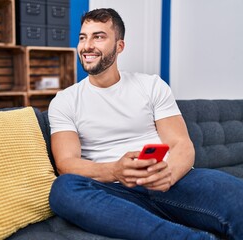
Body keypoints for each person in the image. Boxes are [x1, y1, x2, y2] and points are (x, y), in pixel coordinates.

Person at [48, 8, 243, 240]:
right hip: (113, 191)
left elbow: (181, 144)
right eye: (83, 38)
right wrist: (115, 170)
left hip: (168, 180)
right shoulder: (65, 100)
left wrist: (168, 175)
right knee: (64, 190)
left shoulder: (151, 85)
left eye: (98, 37)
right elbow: (66, 163)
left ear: (119, 46)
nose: (87, 45)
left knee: (234, 191)